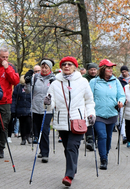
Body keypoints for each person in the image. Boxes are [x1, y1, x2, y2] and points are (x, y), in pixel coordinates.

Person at [44, 56, 95, 187]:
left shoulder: (83, 82)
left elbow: (89, 101)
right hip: (61, 121)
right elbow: (51, 103)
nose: (67, 66)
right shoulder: (55, 83)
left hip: (78, 120)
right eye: (64, 64)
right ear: (61, 68)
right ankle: (73, 168)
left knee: (72, 146)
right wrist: (48, 102)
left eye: (70, 64)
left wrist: (91, 114)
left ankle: (69, 175)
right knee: (68, 148)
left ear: (75, 67)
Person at [89, 59, 125, 170]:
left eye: (111, 68)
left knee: (109, 137)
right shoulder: (94, 82)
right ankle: (103, 159)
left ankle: (106, 153)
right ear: (103, 69)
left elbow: (121, 95)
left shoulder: (116, 81)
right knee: (102, 135)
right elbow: (89, 97)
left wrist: (121, 102)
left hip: (112, 113)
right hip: (98, 114)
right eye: (108, 68)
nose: (110, 70)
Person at [25, 58, 55, 163]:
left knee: (45, 130)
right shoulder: (35, 78)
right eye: (42, 67)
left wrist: (54, 84)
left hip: (47, 109)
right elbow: (28, 91)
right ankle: (42, 150)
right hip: (35, 108)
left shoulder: (53, 79)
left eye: (46, 67)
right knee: (37, 130)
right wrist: (27, 82)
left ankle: (45, 153)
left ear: (50, 68)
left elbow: (57, 93)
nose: (44, 69)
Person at [11, 76, 32, 145]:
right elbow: (14, 98)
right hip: (20, 108)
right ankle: (23, 138)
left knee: (28, 123)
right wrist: (13, 110)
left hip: (29, 108)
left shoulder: (31, 86)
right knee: (22, 124)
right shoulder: (18, 87)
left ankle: (28, 136)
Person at [82, 62, 98, 151]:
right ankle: (90, 140)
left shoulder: (99, 79)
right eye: (91, 70)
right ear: (88, 70)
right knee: (88, 120)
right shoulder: (84, 79)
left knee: (96, 122)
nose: (93, 71)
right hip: (86, 102)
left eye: (94, 69)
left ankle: (95, 139)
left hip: (97, 103)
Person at [117, 65, 130, 144]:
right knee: (122, 118)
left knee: (129, 119)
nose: (124, 73)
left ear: (127, 71)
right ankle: (124, 135)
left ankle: (128, 135)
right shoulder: (119, 80)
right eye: (122, 72)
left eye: (125, 72)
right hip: (122, 101)